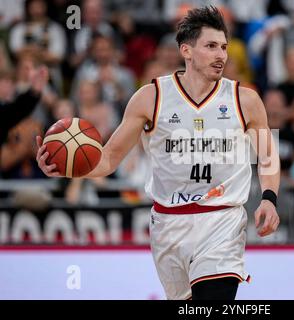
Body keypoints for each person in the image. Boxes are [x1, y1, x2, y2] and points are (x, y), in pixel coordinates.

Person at [36, 6, 280, 300]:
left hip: (222, 221)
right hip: (168, 225)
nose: (221, 55)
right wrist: (66, 167)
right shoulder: (150, 97)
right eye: (211, 46)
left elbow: (267, 155)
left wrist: (268, 198)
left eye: (224, 47)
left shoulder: (245, 99)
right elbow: (109, 159)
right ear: (186, 51)